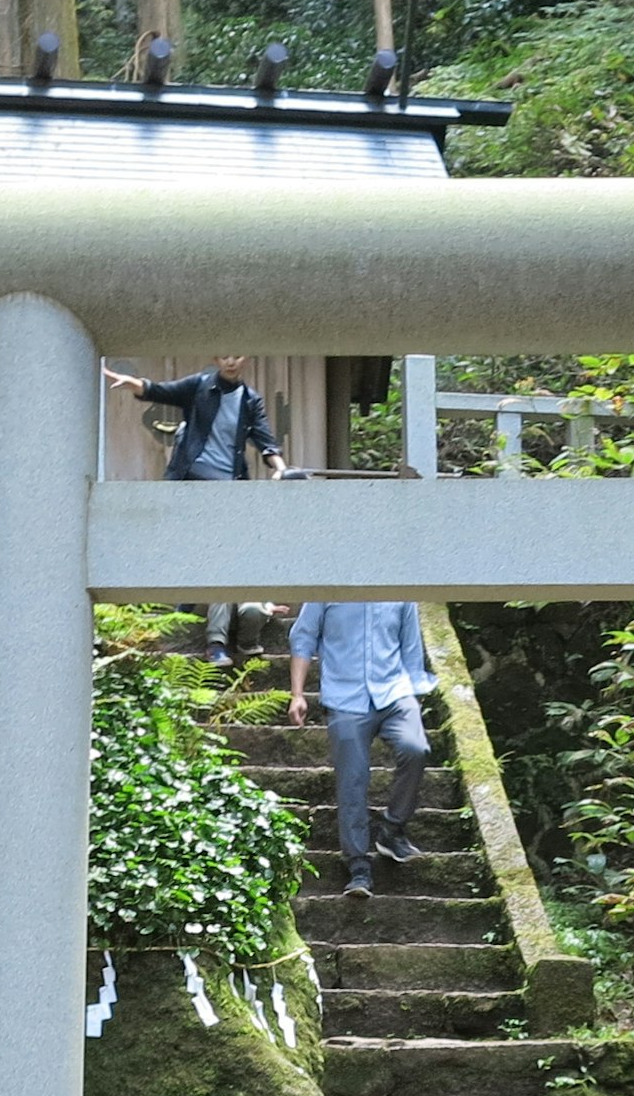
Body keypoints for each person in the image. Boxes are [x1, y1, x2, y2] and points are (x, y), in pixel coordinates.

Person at [105, 354, 283, 664]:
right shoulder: (200, 386)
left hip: (230, 487)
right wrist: (135, 385)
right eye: (225, 356)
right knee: (197, 549)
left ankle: (200, 622)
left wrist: (280, 468)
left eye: (237, 355)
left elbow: (265, 439)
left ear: (246, 359)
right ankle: (187, 617)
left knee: (224, 553)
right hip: (193, 482)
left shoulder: (249, 400)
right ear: (218, 358)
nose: (230, 362)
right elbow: (161, 391)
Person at [288, 597, 433, 898]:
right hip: (345, 698)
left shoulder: (400, 590)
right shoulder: (327, 589)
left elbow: (411, 648)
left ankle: (392, 830)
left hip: (395, 692)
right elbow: (303, 638)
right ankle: (358, 866)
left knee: (416, 747)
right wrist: (297, 695)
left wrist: (414, 699)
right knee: (352, 779)